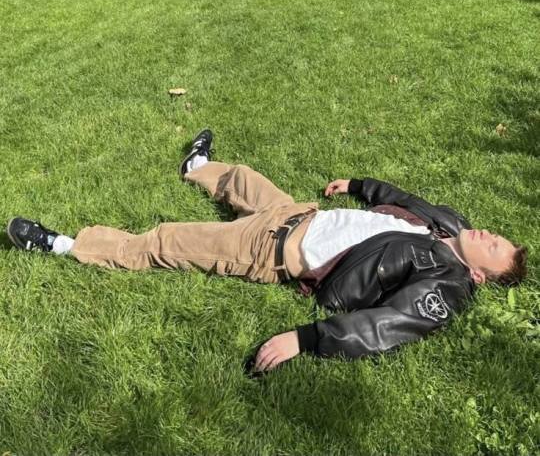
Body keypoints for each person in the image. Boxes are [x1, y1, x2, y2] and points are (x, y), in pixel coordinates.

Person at [6, 130, 528, 373]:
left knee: (168, 240)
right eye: (496, 235)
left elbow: (387, 325)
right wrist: (357, 185)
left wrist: (306, 339)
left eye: (495, 249)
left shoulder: (447, 286)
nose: (487, 235)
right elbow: (404, 199)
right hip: (298, 213)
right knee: (242, 178)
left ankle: (63, 244)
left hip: (271, 248)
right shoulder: (449, 225)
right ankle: (196, 169)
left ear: (480, 276)